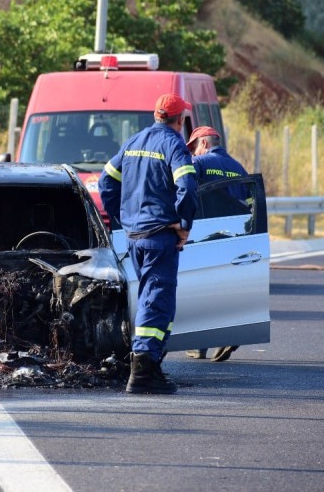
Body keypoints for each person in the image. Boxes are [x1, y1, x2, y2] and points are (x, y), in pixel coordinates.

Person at [99, 93, 198, 394]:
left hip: (135, 238)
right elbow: (188, 185)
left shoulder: (133, 142)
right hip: (159, 238)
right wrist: (184, 224)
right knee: (156, 300)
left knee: (151, 299)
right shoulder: (174, 144)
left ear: (156, 115)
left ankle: (152, 364)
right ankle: (142, 372)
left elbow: (105, 181)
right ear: (179, 120)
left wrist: (123, 217)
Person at [185, 125, 249, 363]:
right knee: (227, 288)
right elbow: (249, 203)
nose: (192, 154)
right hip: (235, 237)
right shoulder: (238, 168)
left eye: (193, 148)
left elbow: (184, 190)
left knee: (199, 289)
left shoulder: (200, 164)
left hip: (205, 234)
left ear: (204, 143)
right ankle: (227, 333)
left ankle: (198, 344)